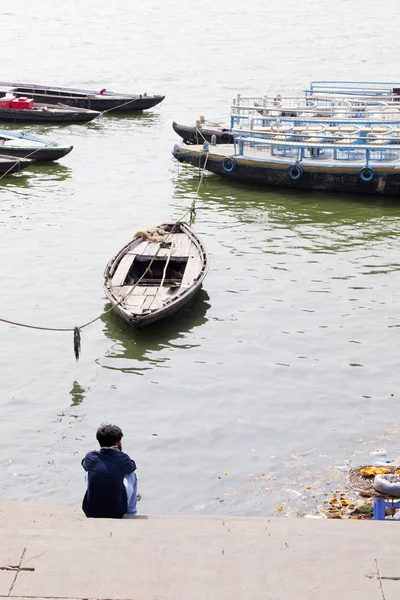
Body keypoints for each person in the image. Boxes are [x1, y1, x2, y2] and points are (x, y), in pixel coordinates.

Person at [81, 423, 138, 519]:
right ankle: (131, 512)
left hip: (91, 511)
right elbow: (132, 466)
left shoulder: (91, 457)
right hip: (117, 512)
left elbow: (84, 464)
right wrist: (119, 452)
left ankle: (94, 500)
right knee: (131, 475)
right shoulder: (123, 459)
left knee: (88, 472)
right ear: (117, 442)